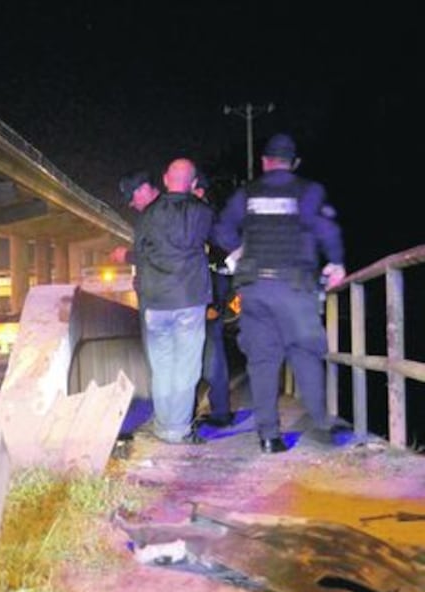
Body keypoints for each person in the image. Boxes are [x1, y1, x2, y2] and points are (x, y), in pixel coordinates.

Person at [212, 133, 347, 453]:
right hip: (295, 288)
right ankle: (323, 424)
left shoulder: (248, 193)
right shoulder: (309, 191)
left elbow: (221, 230)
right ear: (294, 162)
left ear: (264, 162)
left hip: (256, 288)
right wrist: (337, 263)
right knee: (306, 354)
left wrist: (239, 249)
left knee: (262, 361)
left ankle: (269, 436)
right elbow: (328, 229)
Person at [132, 158, 214, 444]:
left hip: (156, 301)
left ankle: (164, 424)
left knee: (162, 365)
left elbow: (139, 252)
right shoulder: (203, 212)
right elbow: (216, 244)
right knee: (186, 366)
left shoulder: (148, 214)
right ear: (193, 184)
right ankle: (177, 429)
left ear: (166, 179)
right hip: (190, 299)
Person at [193, 170, 236, 428]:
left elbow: (224, 264)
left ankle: (219, 412)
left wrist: (214, 303)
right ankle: (216, 410)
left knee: (211, 351)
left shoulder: (208, 220)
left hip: (208, 297)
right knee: (206, 351)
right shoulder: (206, 217)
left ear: (199, 191)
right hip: (204, 295)